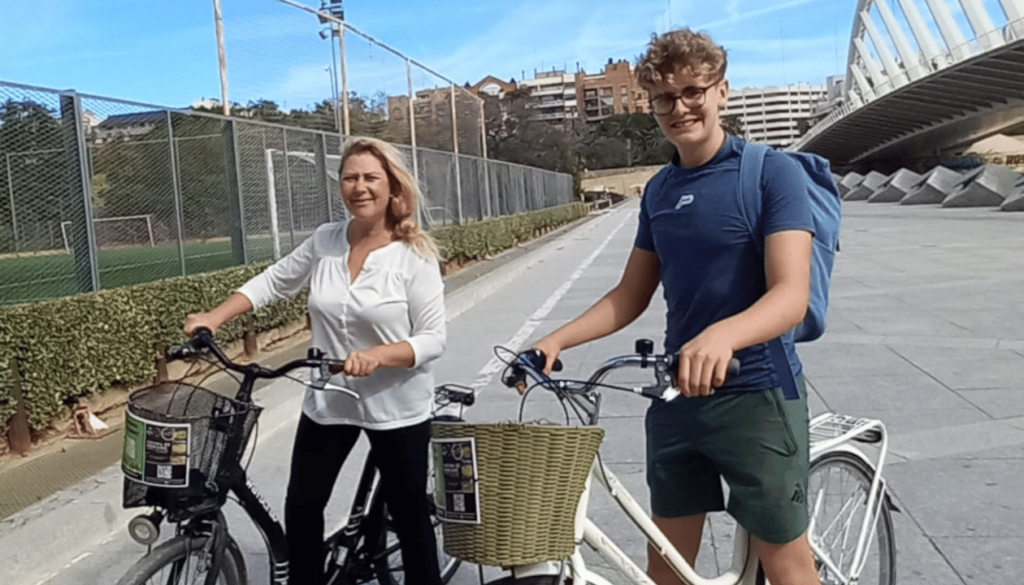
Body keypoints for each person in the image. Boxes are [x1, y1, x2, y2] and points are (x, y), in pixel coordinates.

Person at [533, 29, 821, 585]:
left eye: (694, 90)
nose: (680, 107)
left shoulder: (769, 173)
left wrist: (724, 335)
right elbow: (630, 295)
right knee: (666, 569)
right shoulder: (661, 190)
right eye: (665, 98)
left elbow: (791, 295)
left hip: (756, 392)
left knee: (787, 565)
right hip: (677, 394)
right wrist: (556, 340)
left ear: (722, 92)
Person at [183, 136, 446, 585]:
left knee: (408, 516)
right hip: (331, 398)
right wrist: (214, 316)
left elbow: (433, 339)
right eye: (350, 178)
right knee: (302, 507)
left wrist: (380, 355)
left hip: (396, 404)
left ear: (392, 188)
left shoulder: (414, 255)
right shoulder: (326, 240)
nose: (359, 187)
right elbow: (273, 281)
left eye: (370, 178)